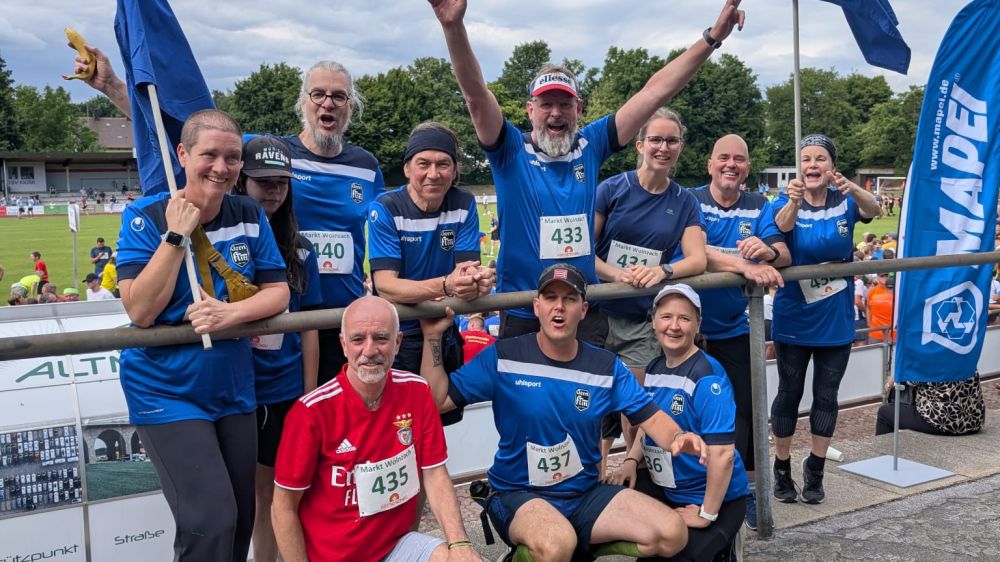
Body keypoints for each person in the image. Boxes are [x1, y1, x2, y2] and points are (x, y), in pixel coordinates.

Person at [428, 0, 745, 342]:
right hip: (524, 310)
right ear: (530, 110)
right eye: (546, 104)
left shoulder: (590, 145)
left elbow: (655, 92)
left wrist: (712, 38)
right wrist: (452, 27)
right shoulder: (510, 149)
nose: (555, 113)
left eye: (564, 104)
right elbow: (476, 96)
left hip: (583, 311)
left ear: (578, 108)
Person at [71, 45, 385, 385]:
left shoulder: (367, 166)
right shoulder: (268, 151)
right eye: (318, 94)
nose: (328, 103)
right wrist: (113, 87)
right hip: (282, 321)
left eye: (339, 96)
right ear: (303, 101)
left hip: (346, 319)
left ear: (350, 105)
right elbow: (182, 137)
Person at [420, 264, 708, 561]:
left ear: (583, 310)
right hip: (517, 493)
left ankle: (578, 550)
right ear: (537, 307)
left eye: (569, 299)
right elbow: (437, 401)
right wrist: (432, 337)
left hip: (583, 494)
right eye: (550, 298)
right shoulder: (505, 356)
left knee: (672, 533)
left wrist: (678, 437)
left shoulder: (605, 366)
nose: (559, 307)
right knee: (557, 542)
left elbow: (651, 416)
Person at [115, 109, 290, 561]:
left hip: (233, 386)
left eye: (232, 158)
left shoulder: (248, 212)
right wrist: (176, 234)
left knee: (241, 522)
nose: (221, 167)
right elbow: (140, 310)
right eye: (209, 155)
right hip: (167, 388)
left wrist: (230, 314)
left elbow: (278, 292)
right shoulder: (144, 215)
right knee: (210, 522)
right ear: (182, 154)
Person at [272, 296, 481, 562]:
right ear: (343, 345)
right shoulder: (311, 412)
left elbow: (435, 474)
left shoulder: (417, 391)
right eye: (358, 339)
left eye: (381, 338)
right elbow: (283, 507)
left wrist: (459, 543)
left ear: (398, 343)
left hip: (396, 546)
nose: (370, 350)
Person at [593, 107, 707, 477]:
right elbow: (582, 251)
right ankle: (593, 476)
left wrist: (662, 271)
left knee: (636, 408)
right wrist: (616, 275)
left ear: (680, 147)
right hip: (597, 314)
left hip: (641, 320)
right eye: (655, 139)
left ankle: (635, 473)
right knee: (590, 402)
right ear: (639, 144)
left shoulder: (684, 200)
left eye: (671, 140)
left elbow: (697, 259)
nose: (663, 147)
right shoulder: (611, 189)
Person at [685, 133, 789, 530]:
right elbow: (694, 254)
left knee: (745, 411)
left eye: (739, 159)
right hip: (686, 331)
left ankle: (745, 491)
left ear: (747, 168)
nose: (731, 165)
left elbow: (784, 253)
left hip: (734, 327)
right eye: (724, 158)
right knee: (685, 411)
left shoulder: (759, 205)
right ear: (710, 164)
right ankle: (691, 488)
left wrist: (768, 252)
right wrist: (743, 266)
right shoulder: (690, 200)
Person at [770, 134, 881, 504]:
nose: (812, 165)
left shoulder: (844, 199)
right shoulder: (786, 199)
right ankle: (781, 467)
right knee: (789, 392)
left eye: (820, 159)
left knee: (827, 395)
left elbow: (874, 209)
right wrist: (794, 201)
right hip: (794, 315)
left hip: (835, 317)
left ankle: (815, 469)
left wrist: (853, 188)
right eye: (806, 159)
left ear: (832, 166)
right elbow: (782, 227)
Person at [606, 284, 748, 561]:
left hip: (715, 498)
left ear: (698, 324)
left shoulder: (706, 376)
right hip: (669, 489)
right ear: (654, 321)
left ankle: (727, 543)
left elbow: (723, 454)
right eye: (666, 317)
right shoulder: (654, 368)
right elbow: (649, 427)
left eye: (684, 318)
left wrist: (707, 513)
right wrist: (631, 461)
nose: (674, 326)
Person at [231, 135, 323, 562]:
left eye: (281, 183)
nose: (272, 191)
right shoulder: (224, 241)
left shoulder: (302, 250)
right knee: (242, 497)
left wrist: (308, 394)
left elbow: (310, 326)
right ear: (242, 182)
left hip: (284, 391)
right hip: (236, 390)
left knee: (276, 493)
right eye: (263, 182)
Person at [368, 122, 494, 423]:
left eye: (443, 164)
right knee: (396, 427)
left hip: (443, 329)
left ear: (455, 170)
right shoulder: (386, 207)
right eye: (423, 164)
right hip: (397, 337)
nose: (433, 174)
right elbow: (386, 286)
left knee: (440, 425)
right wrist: (448, 285)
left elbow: (466, 274)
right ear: (407, 168)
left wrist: (478, 281)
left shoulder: (463, 203)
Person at [875, 373, 985, 437]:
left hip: (945, 422)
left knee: (884, 413)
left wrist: (889, 383)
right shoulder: (966, 350)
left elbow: (907, 378)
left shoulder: (930, 356)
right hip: (974, 420)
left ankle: (882, 457)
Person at [866, 273, 895, 344]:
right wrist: (868, 323)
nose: (884, 277)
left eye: (886, 275)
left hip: (890, 333)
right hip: (877, 331)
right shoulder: (872, 291)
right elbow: (868, 308)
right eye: (882, 276)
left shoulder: (895, 292)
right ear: (878, 277)